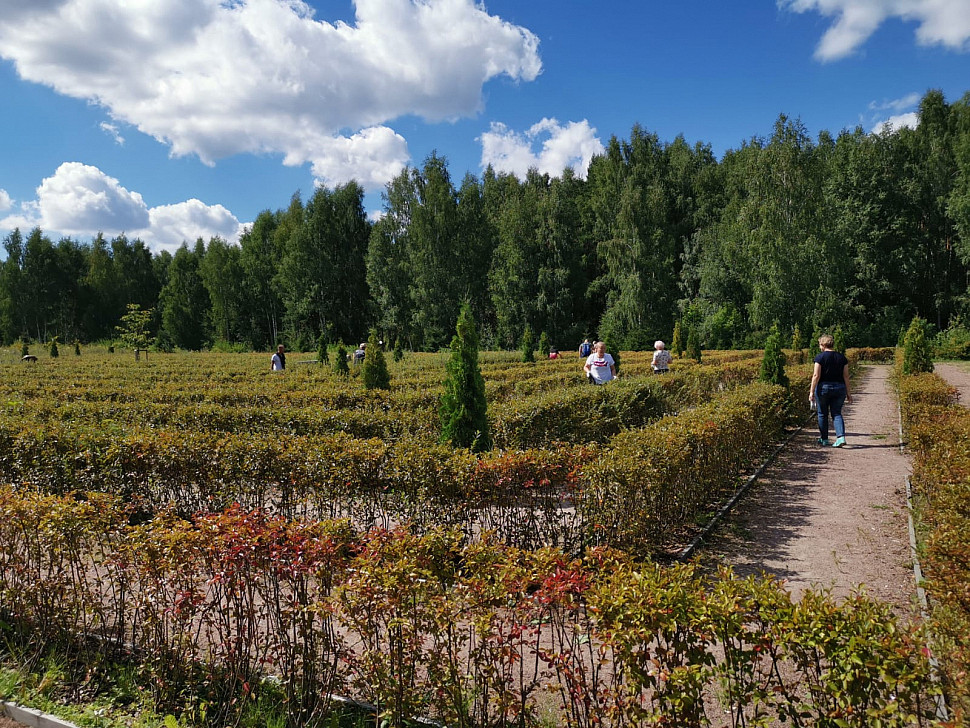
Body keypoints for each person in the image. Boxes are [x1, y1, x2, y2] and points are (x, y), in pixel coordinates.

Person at [808, 334, 851, 447]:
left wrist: (811, 391)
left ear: (823, 345)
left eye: (820, 345)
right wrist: (848, 393)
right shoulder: (842, 358)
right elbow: (846, 376)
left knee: (822, 413)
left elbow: (816, 375)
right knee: (837, 413)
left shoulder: (820, 357)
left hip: (823, 388)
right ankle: (841, 437)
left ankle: (824, 439)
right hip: (839, 388)